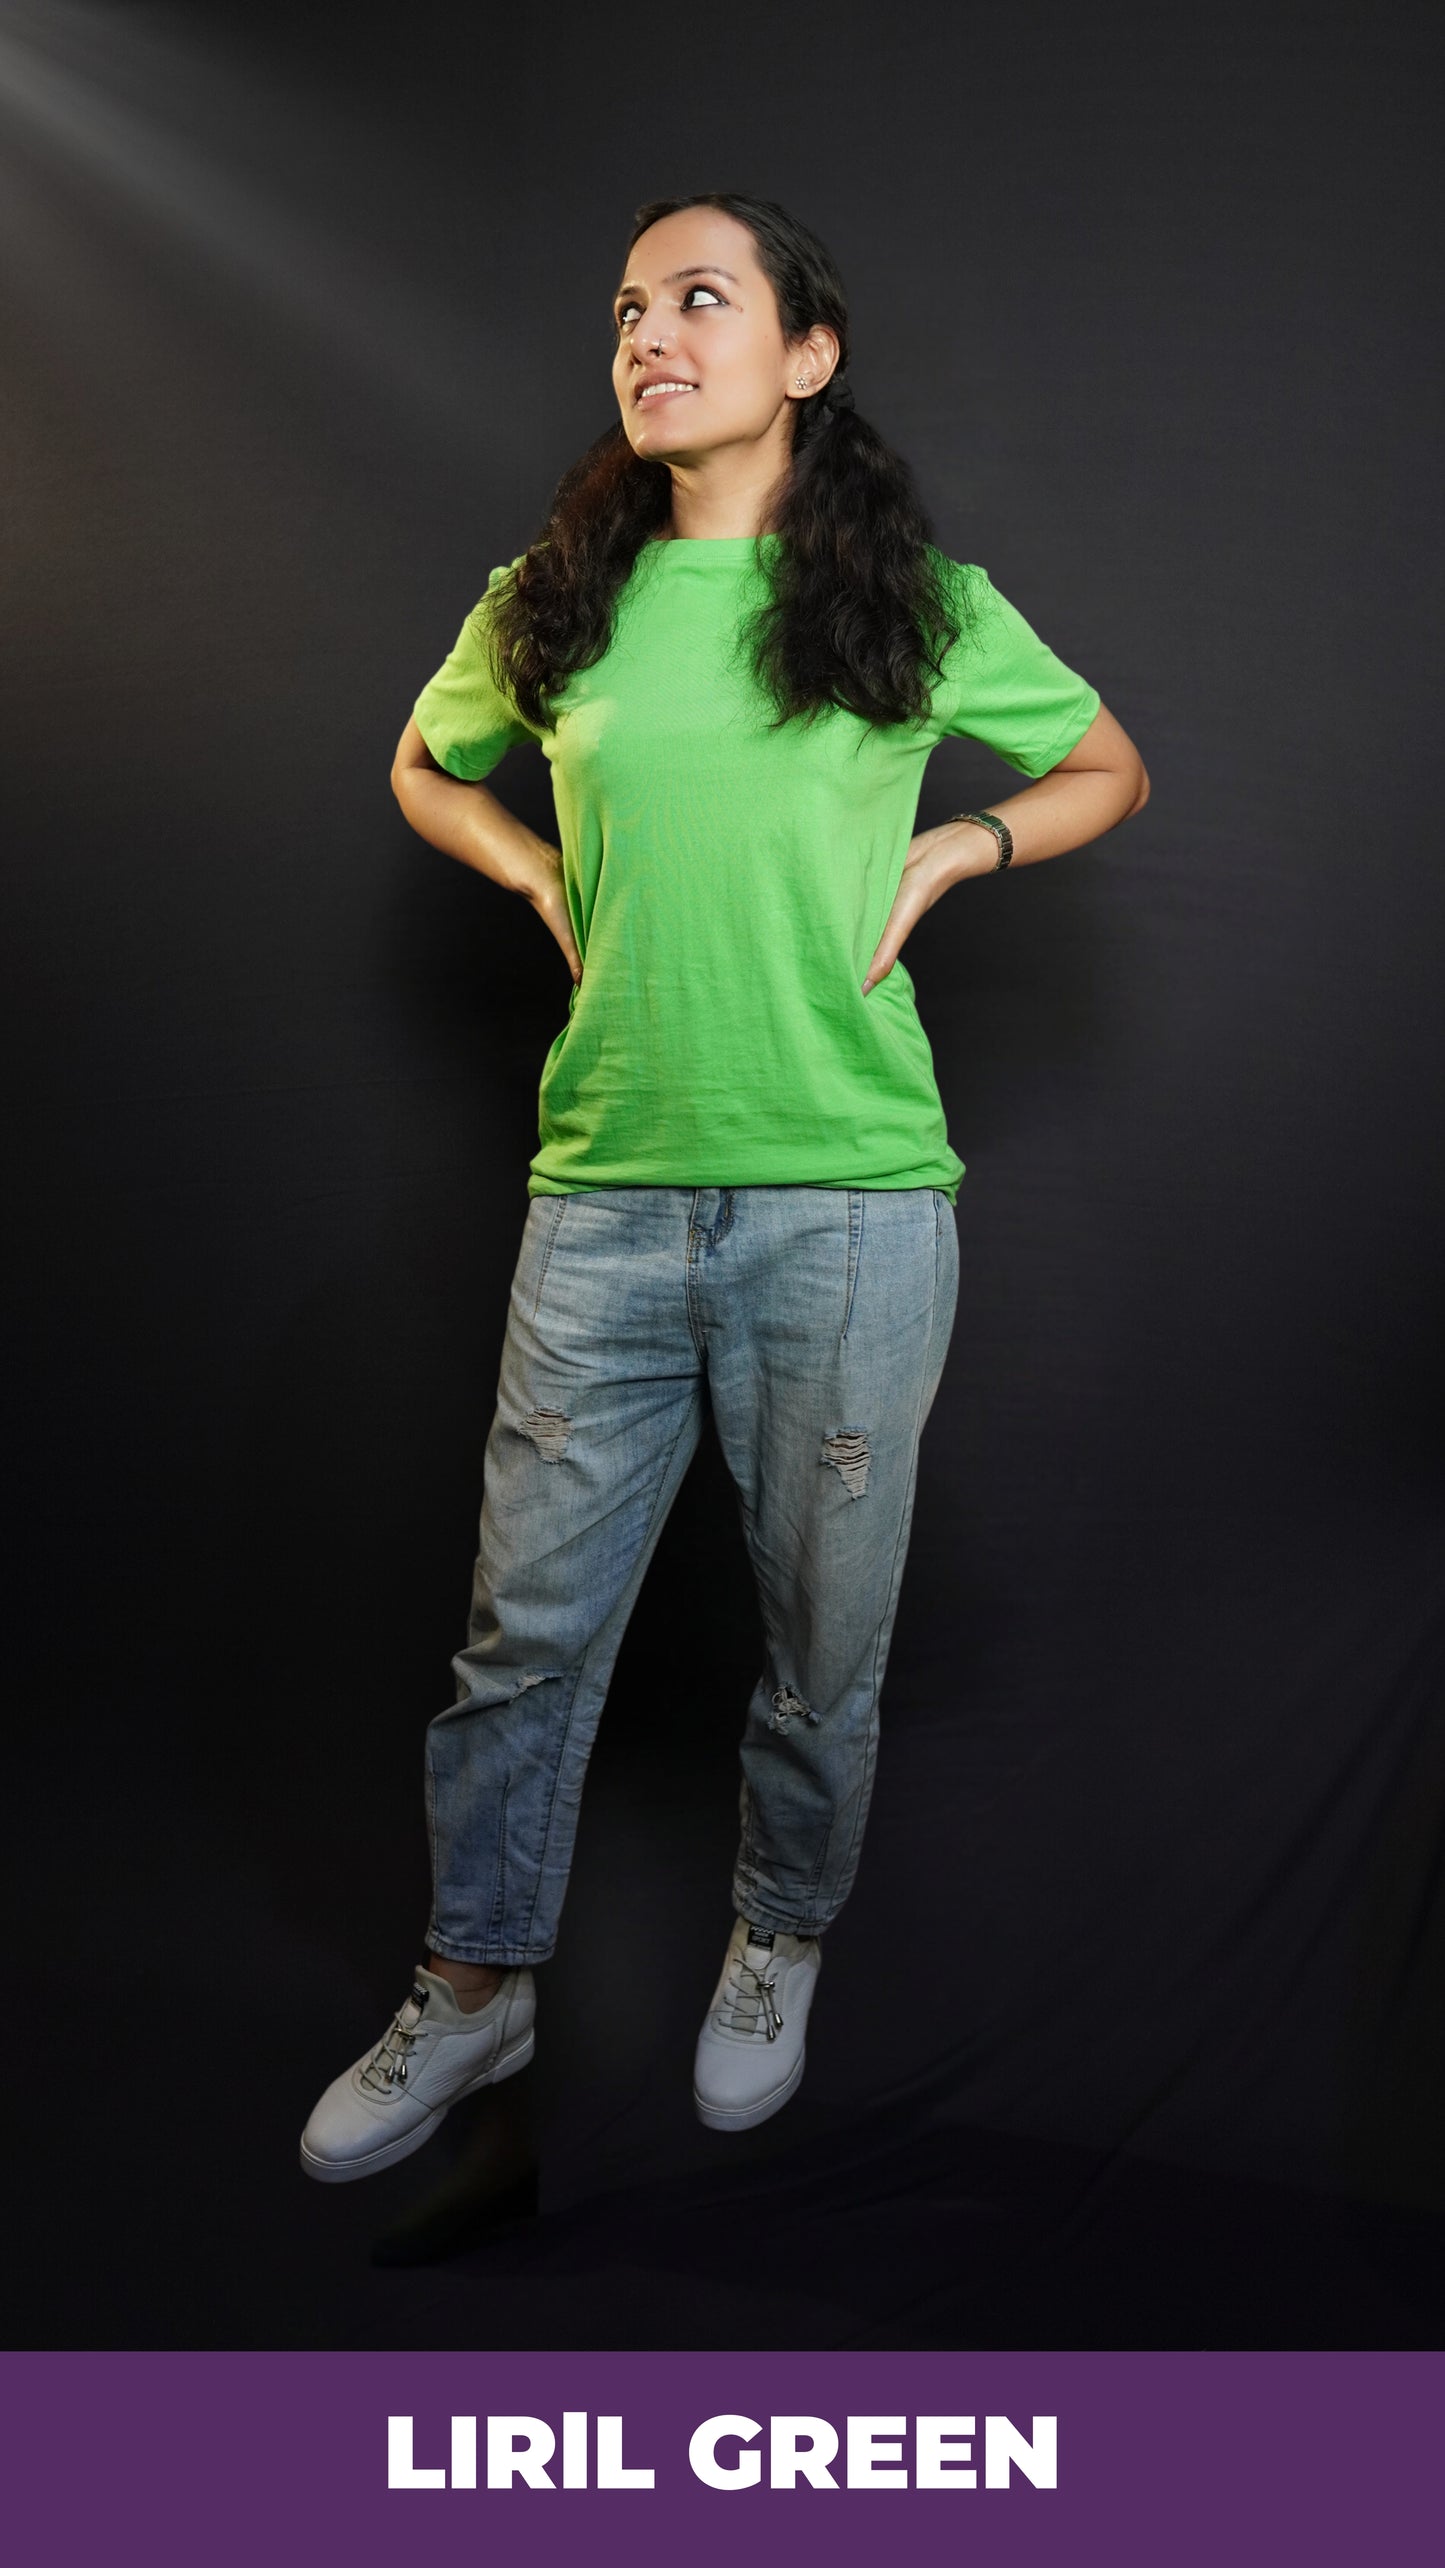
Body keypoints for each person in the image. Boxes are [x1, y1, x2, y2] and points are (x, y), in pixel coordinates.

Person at [299, 191, 1148, 2184]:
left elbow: (1102, 764)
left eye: (700, 299)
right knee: (522, 1635)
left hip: (850, 1210)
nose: (649, 333)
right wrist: (527, 870)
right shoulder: (555, 599)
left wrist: (959, 855)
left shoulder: (915, 600)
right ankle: (479, 1991)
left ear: (806, 355)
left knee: (819, 1635)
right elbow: (430, 765)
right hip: (599, 1200)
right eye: (627, 309)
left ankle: (779, 1932)